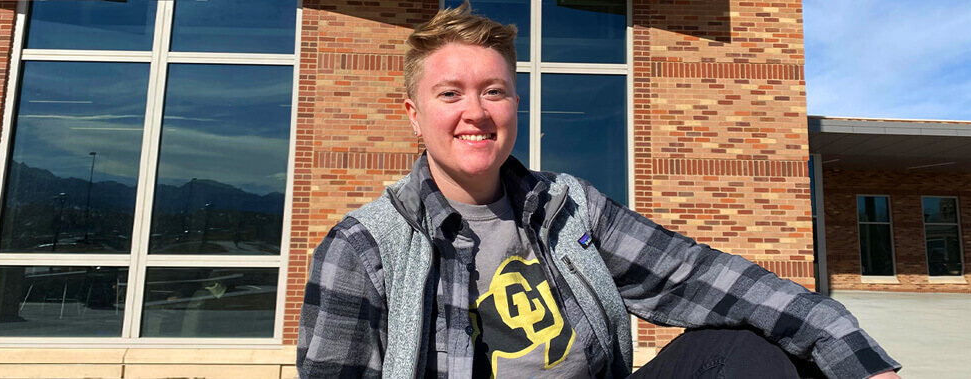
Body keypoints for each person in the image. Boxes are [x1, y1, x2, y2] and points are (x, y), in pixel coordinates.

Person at [297, 4, 901, 378]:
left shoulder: (565, 207)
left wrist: (851, 351)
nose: (475, 112)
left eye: (494, 91)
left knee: (749, 348)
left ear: (515, 102)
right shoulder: (363, 249)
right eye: (450, 93)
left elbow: (694, 275)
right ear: (413, 114)